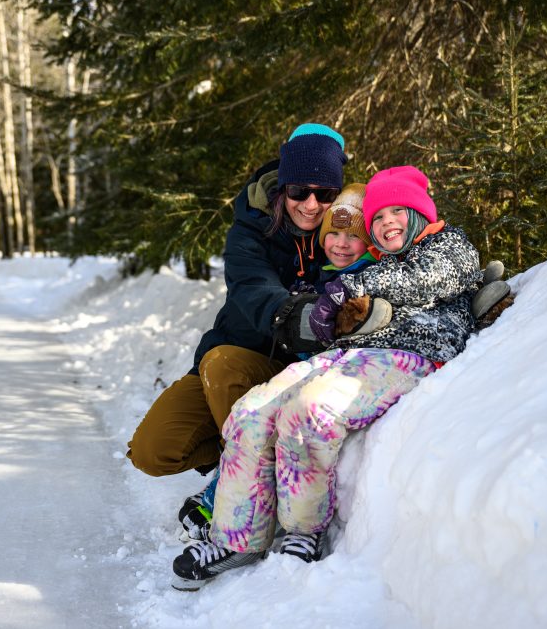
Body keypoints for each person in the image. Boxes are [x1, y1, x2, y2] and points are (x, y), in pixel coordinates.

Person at [171, 165, 482, 590]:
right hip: (350, 354)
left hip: (409, 354)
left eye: (397, 211)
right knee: (250, 411)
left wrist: (349, 288)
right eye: (378, 217)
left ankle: (303, 531)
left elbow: (421, 278)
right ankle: (236, 537)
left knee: (309, 410)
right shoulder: (376, 263)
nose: (387, 221)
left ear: (422, 213)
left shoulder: (449, 246)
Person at [126, 124, 349, 502]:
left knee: (222, 364)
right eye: (299, 191)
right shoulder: (250, 228)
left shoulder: (348, 229)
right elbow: (255, 292)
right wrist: (316, 317)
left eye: (324, 193)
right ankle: (243, 454)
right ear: (283, 188)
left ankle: (250, 480)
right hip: (231, 361)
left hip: (294, 371)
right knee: (152, 450)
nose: (310, 204)